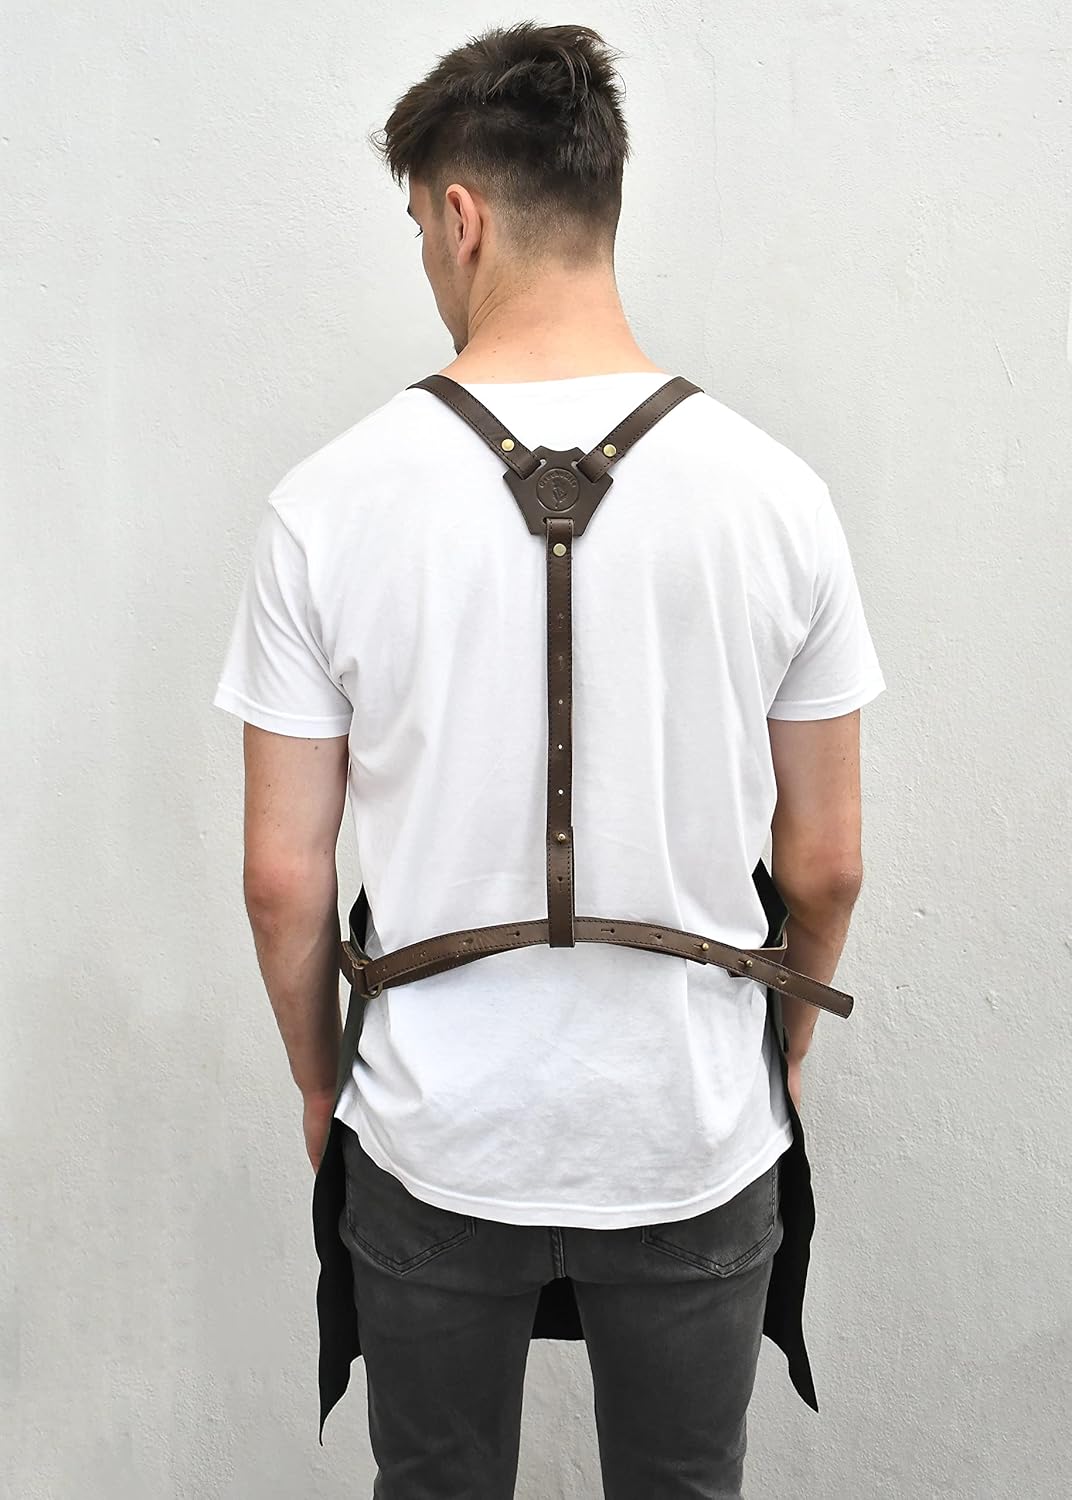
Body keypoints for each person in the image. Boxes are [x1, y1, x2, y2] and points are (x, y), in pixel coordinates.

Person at [212, 20, 885, 1498]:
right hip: (691, 1122)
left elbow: (281, 880)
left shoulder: (326, 503)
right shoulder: (780, 497)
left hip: (434, 1131)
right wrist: (770, 1056)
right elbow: (829, 862)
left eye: (418, 228)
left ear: (460, 215)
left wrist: (325, 1088)